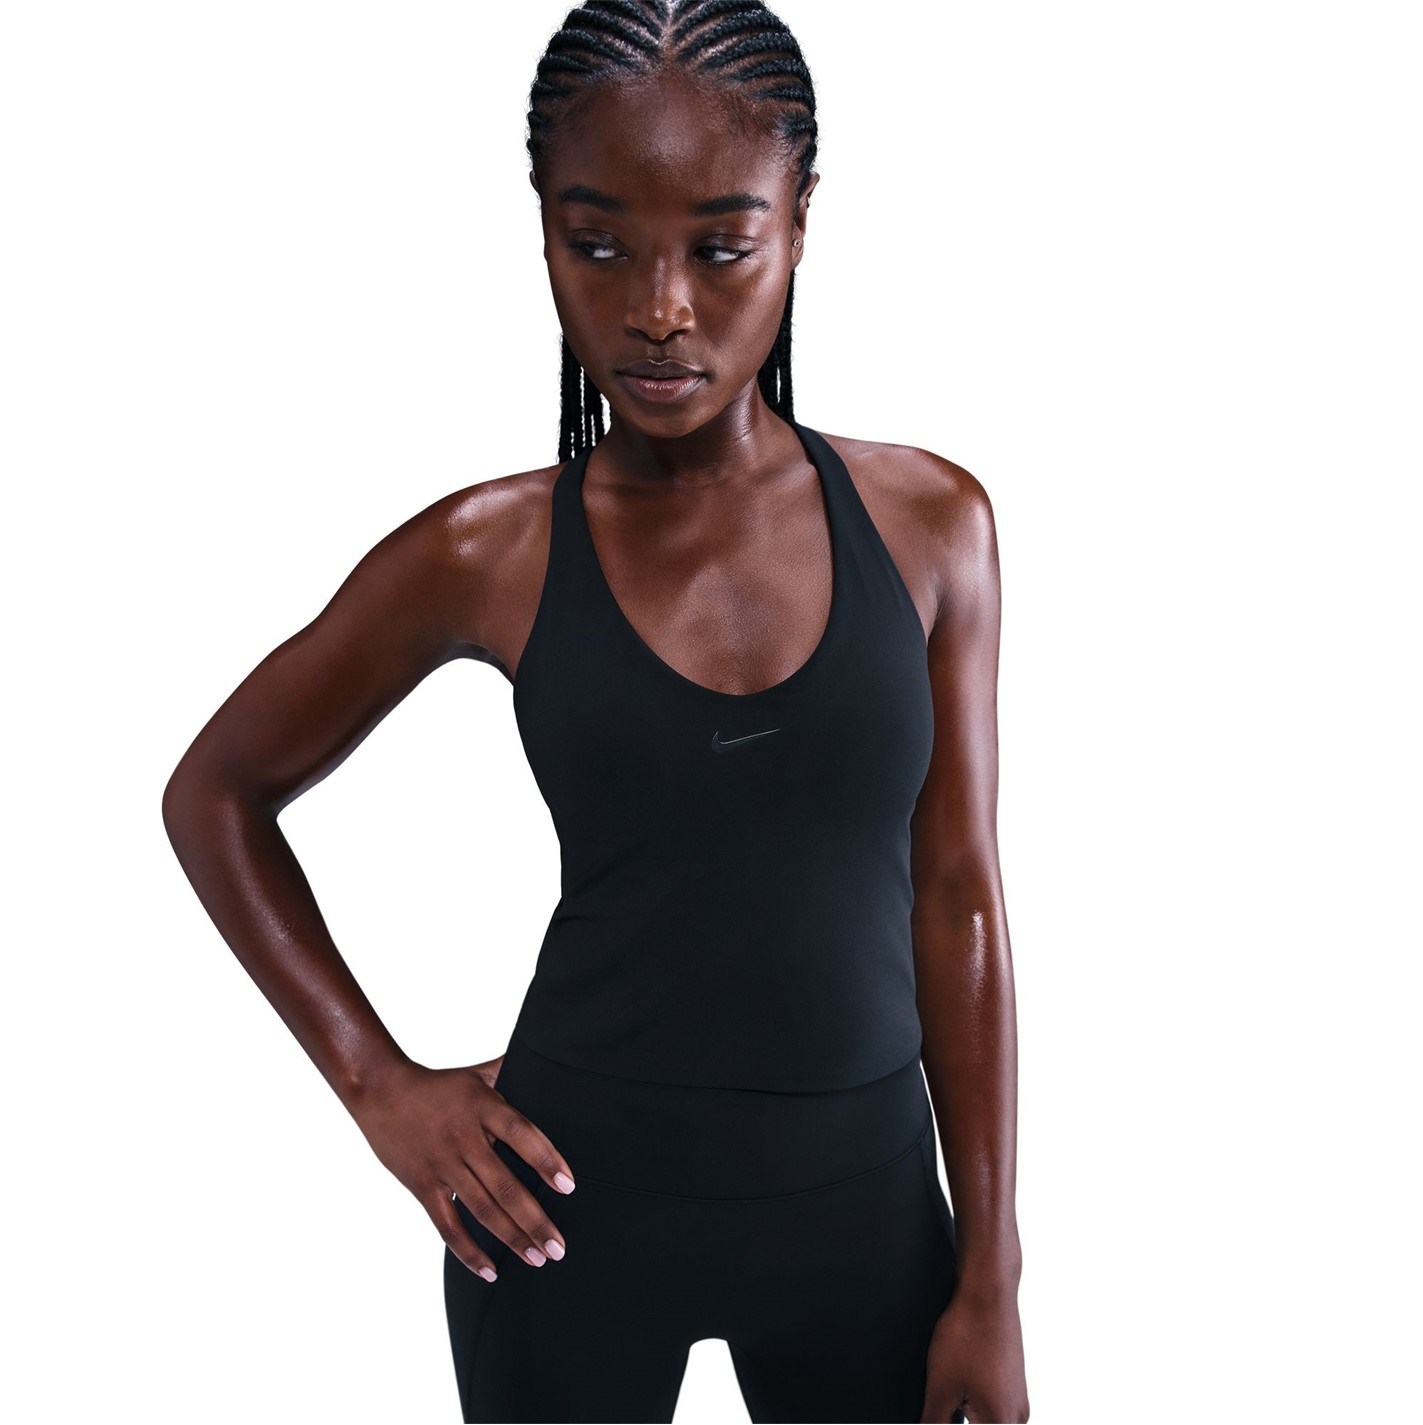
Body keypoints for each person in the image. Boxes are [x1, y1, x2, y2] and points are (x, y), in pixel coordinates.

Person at [162, 3, 1029, 1421]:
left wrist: (991, 1273)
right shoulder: (486, 550)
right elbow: (216, 793)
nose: (659, 306)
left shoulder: (933, 524)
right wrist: (379, 1086)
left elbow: (960, 896)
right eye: (600, 243)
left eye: (720, 245)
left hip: (864, 1218)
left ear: (801, 220)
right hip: (566, 1211)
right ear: (546, 237)